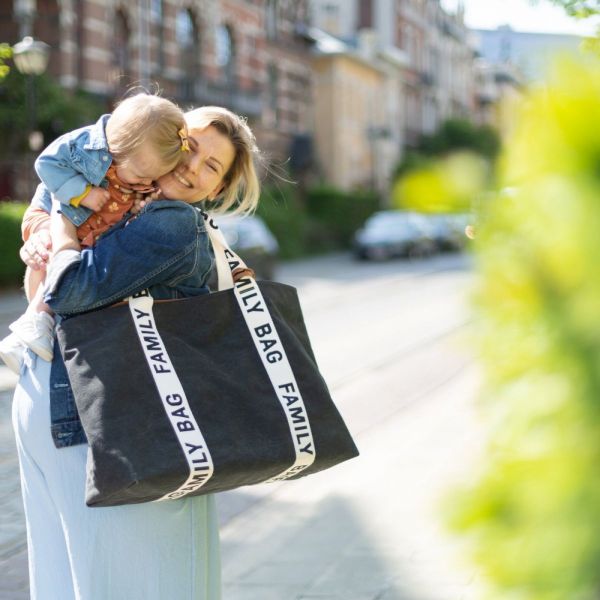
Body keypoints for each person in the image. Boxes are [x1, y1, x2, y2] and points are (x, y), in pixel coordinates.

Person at [11, 105, 261, 600]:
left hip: (84, 413)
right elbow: (45, 225)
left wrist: (56, 230)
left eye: (212, 167)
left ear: (218, 189)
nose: (192, 167)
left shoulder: (173, 223)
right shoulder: (118, 192)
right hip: (115, 426)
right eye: (190, 147)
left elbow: (70, 287)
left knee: (75, 580)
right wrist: (40, 233)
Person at [0, 93, 187, 371]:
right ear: (115, 148)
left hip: (87, 232)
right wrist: (83, 193)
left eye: (153, 178)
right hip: (61, 218)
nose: (146, 182)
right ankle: (33, 323)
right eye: (139, 177)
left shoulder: (139, 164)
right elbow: (46, 164)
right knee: (54, 255)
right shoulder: (84, 146)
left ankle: (30, 332)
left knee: (65, 267)